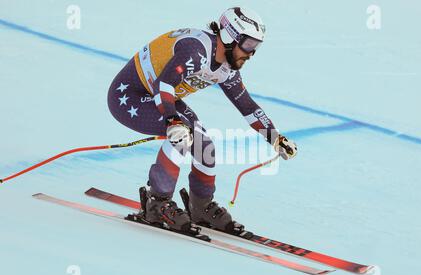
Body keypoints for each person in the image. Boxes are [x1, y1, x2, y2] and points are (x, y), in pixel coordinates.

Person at [107, 7, 297, 234]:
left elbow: (247, 106)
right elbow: (164, 85)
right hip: (130, 97)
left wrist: (276, 138)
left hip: (161, 98)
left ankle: (201, 206)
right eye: (248, 45)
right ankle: (156, 203)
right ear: (230, 36)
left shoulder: (227, 67)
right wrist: (173, 122)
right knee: (182, 136)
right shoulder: (195, 50)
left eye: (256, 47)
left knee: (204, 144)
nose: (251, 53)